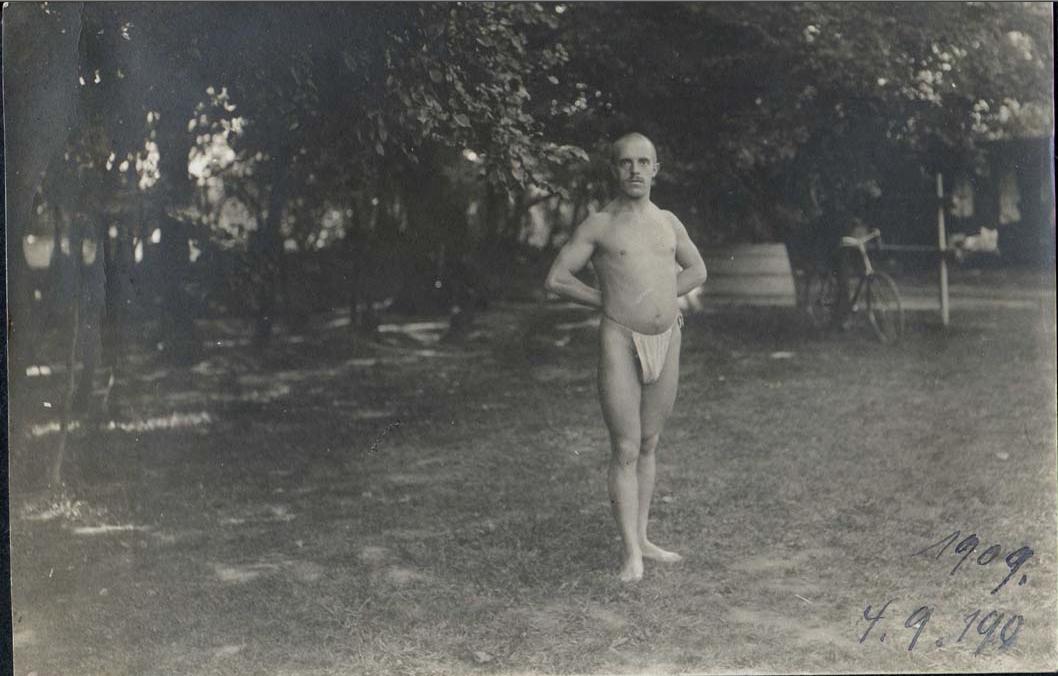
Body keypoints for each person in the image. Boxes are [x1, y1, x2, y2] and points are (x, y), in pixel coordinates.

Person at [544, 132, 708, 582]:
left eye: (643, 162)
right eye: (625, 162)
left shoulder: (668, 222)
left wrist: (661, 296)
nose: (635, 170)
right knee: (626, 446)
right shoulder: (600, 224)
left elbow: (698, 269)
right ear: (614, 170)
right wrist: (609, 301)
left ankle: (644, 538)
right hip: (619, 338)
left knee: (650, 442)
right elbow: (557, 278)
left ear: (656, 170)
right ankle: (630, 553)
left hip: (668, 338)